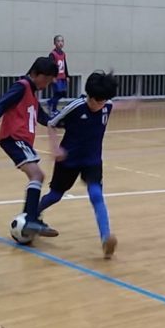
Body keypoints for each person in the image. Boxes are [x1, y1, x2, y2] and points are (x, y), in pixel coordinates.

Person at [0, 57, 60, 238]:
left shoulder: (32, 93)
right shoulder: (21, 87)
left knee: (38, 176)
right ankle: (31, 219)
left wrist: (64, 122)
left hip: (21, 141)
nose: (47, 84)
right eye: (46, 79)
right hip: (13, 139)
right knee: (37, 175)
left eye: (50, 81)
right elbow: (0, 105)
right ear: (34, 74)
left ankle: (31, 218)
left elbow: (43, 118)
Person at [40, 71, 120, 258]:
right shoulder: (75, 107)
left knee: (96, 195)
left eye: (104, 101)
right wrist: (55, 148)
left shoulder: (107, 105)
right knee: (55, 195)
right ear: (89, 96)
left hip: (92, 160)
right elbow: (51, 123)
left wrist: (131, 104)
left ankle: (106, 239)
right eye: (97, 101)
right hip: (68, 160)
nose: (100, 105)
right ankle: (31, 214)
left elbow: (112, 104)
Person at [48, 35, 69, 115]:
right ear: (54, 43)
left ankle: (50, 102)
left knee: (63, 93)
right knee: (57, 93)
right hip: (56, 77)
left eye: (62, 41)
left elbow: (65, 65)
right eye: (58, 41)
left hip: (62, 77)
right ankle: (53, 109)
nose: (60, 43)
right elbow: (51, 66)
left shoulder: (63, 54)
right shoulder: (52, 54)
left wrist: (67, 75)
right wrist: (52, 76)